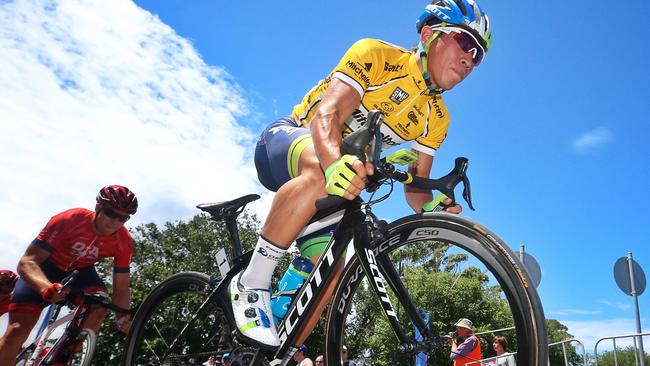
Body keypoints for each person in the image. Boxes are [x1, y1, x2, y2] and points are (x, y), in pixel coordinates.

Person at [229, 0, 492, 348]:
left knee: (330, 270)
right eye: (465, 43)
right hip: (290, 140)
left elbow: (416, 187)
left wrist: (432, 209)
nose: (469, 60)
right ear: (429, 36)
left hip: (338, 174)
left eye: (478, 56)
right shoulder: (377, 55)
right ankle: (250, 283)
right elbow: (328, 115)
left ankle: (284, 351)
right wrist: (334, 161)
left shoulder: (438, 117)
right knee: (324, 170)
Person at [0, 185, 138, 366]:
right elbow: (27, 262)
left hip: (80, 273)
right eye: (111, 214)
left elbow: (121, 288)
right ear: (98, 208)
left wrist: (122, 318)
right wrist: (45, 288)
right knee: (17, 332)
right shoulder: (70, 219)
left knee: (99, 305)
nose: (115, 222)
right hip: (44, 269)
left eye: (123, 218)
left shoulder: (123, 241)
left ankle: (64, 355)